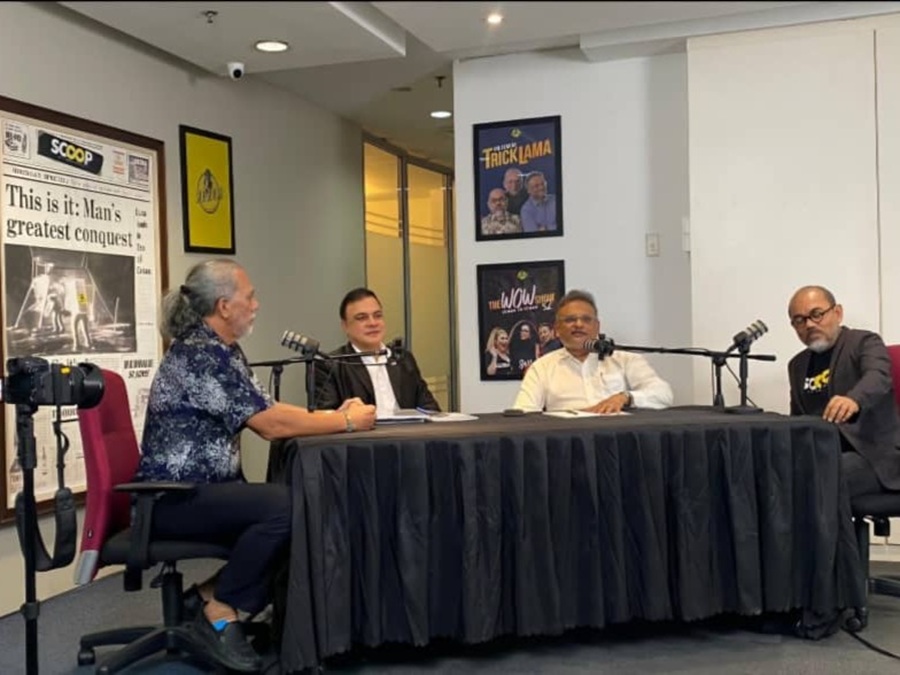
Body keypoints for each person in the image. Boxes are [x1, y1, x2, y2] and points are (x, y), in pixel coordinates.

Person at [137, 259, 375, 672]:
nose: (257, 305)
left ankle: (210, 596)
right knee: (290, 506)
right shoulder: (200, 355)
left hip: (205, 493)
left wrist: (332, 414)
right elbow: (269, 425)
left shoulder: (223, 350)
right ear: (225, 306)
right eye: (250, 297)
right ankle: (221, 607)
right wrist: (347, 420)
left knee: (302, 503)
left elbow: (269, 409)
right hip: (172, 499)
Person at [787, 285, 900, 498]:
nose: (809, 324)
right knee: (776, 475)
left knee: (818, 479)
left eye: (816, 314)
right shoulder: (797, 365)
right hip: (822, 452)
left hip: (873, 456)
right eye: (800, 320)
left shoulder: (864, 342)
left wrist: (854, 400)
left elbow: (878, 376)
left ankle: (832, 534)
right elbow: (797, 420)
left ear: (837, 313)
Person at [513, 290, 673, 412]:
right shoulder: (542, 368)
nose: (578, 324)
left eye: (586, 319)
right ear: (557, 329)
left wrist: (625, 397)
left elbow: (664, 394)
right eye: (570, 320)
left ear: (597, 326)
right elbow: (524, 412)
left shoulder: (624, 359)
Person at [315, 287, 439, 415]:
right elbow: (325, 420)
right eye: (362, 318)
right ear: (345, 326)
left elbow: (430, 408)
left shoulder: (402, 358)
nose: (373, 323)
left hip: (407, 433)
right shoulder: (329, 365)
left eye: (377, 316)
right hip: (363, 434)